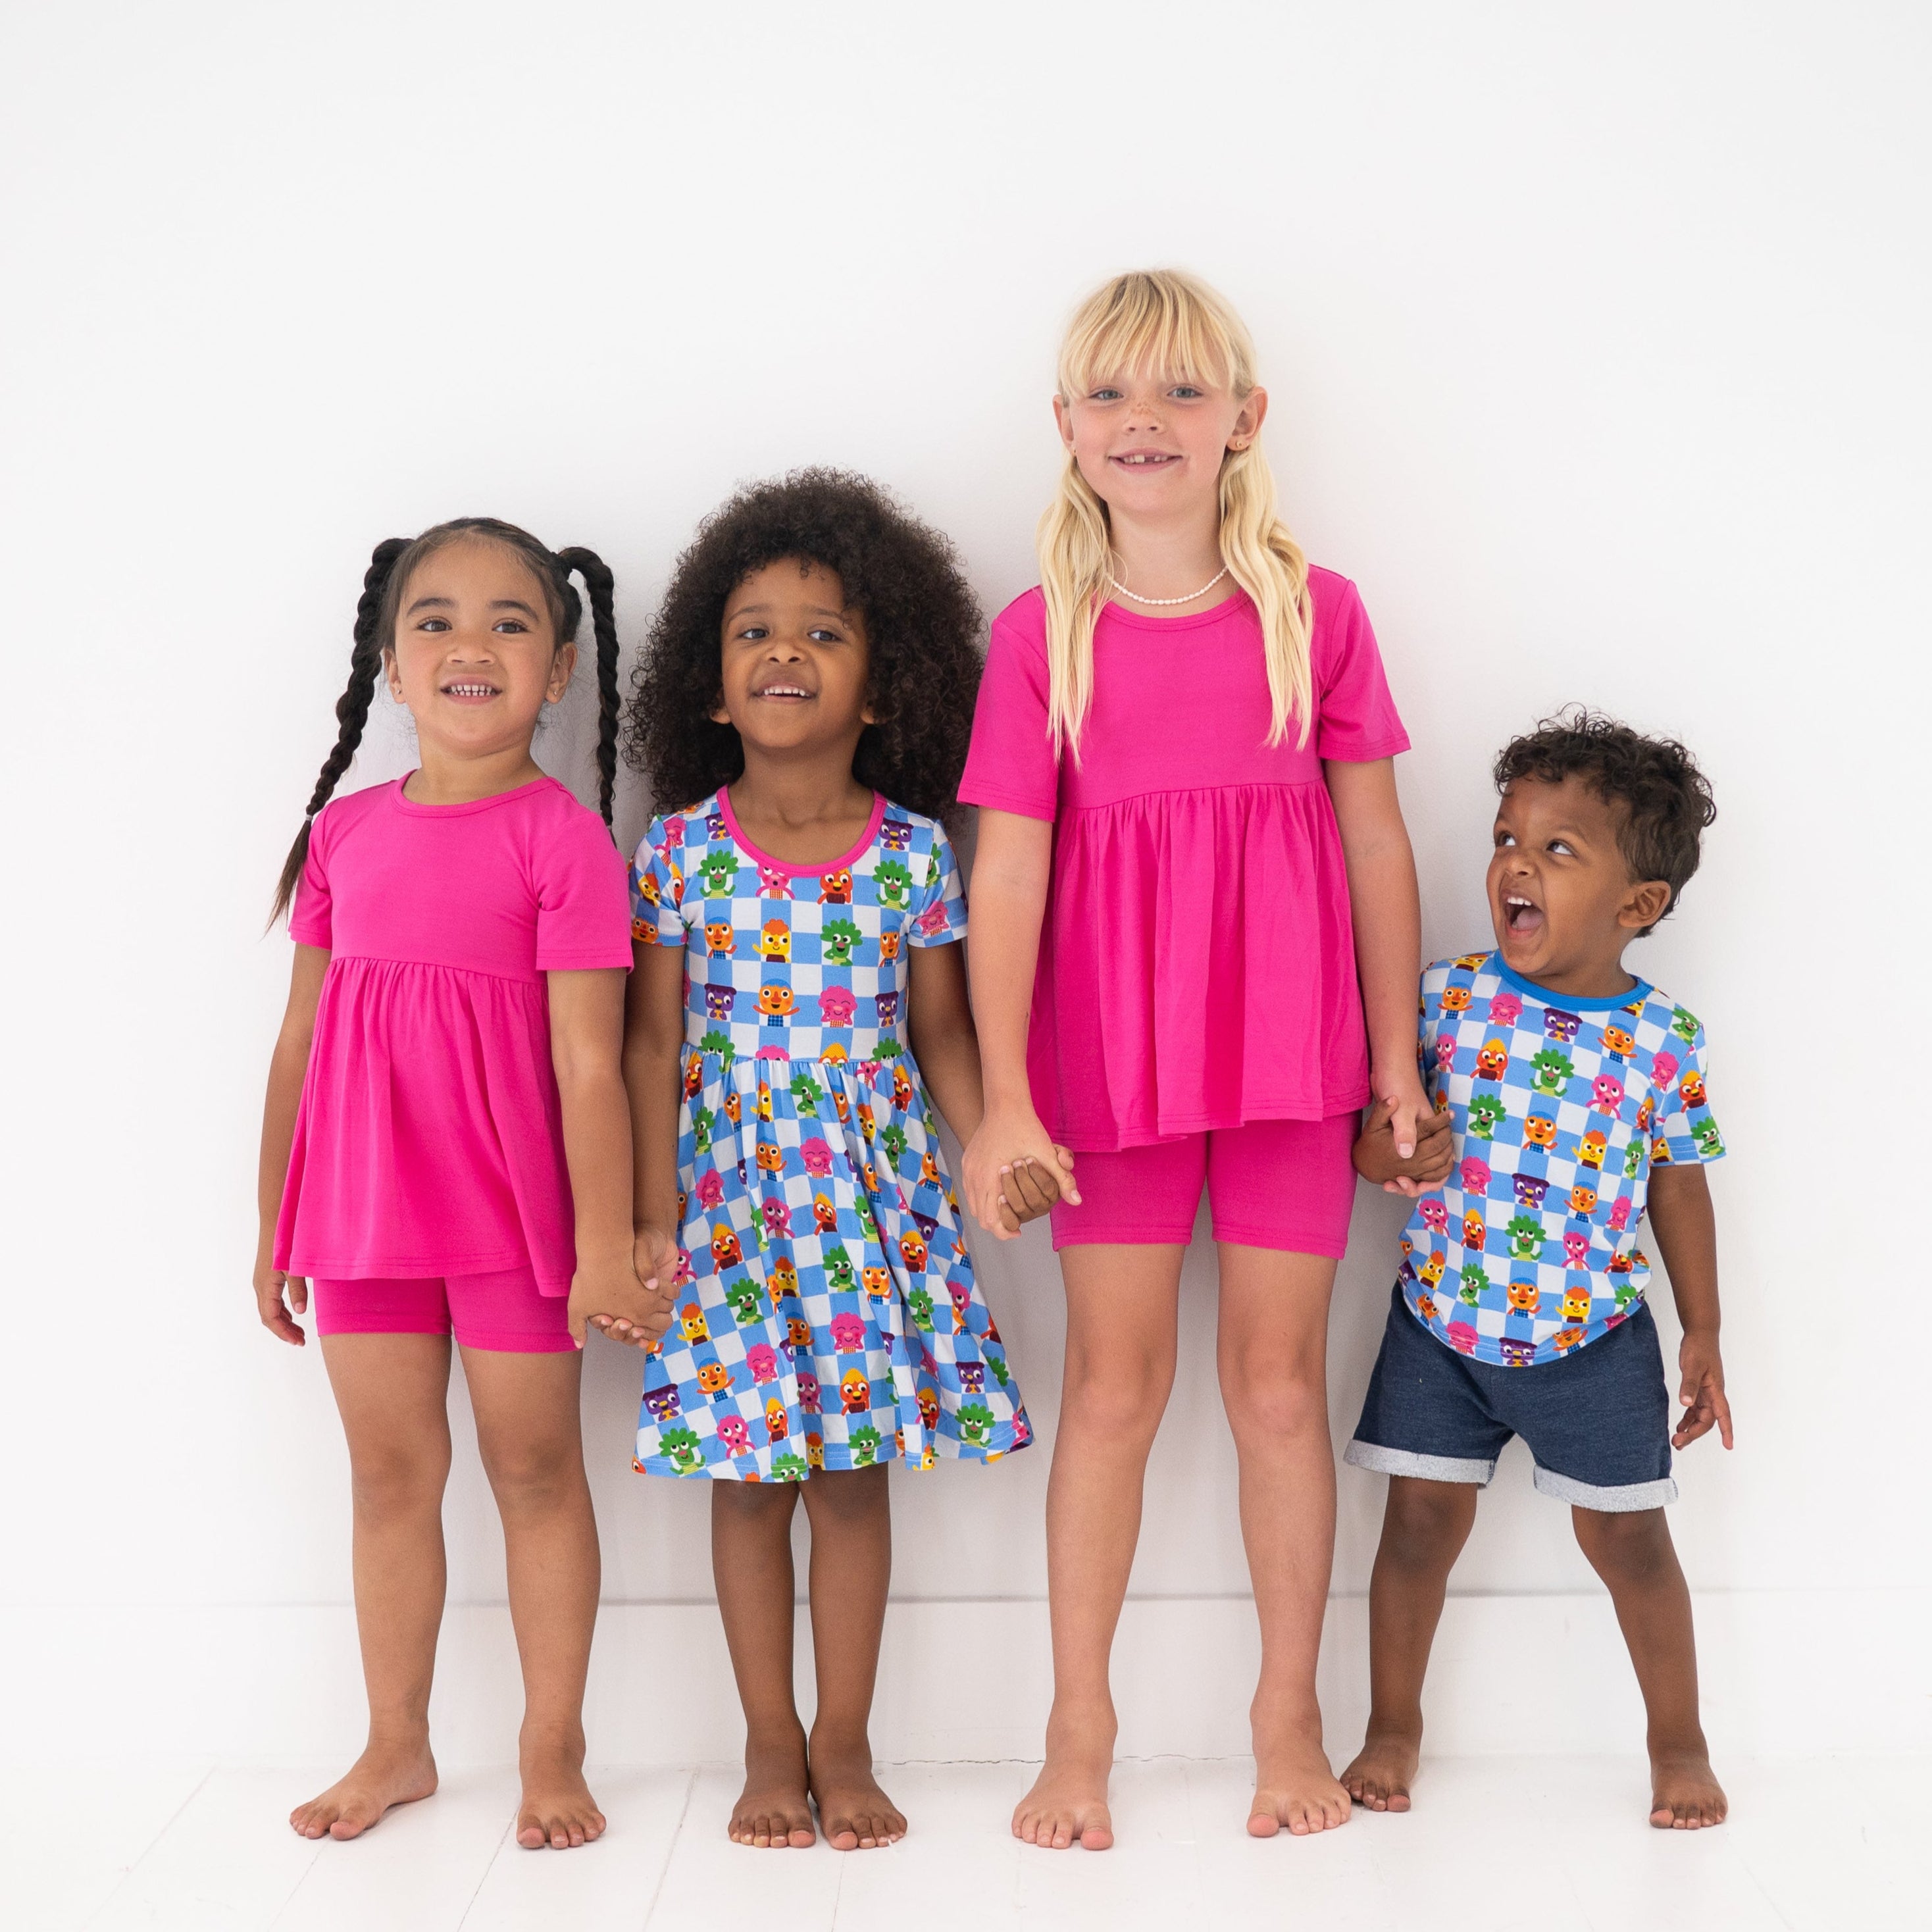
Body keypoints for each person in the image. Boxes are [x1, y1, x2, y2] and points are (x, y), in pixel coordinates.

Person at [958, 269, 1426, 1846]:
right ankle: (1075, 1727)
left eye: (1178, 390)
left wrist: (1397, 1060)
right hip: (1107, 1065)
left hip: (1296, 1054)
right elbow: (1008, 869)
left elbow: (1374, 841)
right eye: (1109, 393)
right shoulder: (1043, 632)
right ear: (1065, 425)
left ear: (1244, 418)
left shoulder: (1315, 611)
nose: (1142, 420)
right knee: (1111, 1388)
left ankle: (1285, 1715)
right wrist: (1007, 1095)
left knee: (1279, 1389)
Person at [623, 471, 1040, 1852]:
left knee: (852, 1477)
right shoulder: (677, 853)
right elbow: (648, 1045)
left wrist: (993, 1144)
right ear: (710, 682)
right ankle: (766, 1743)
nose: (785, 652)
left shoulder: (915, 855)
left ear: (883, 685)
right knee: (749, 1478)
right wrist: (647, 1210)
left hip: (867, 1207)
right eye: (753, 631)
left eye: (824, 631)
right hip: (730, 1207)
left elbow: (942, 1033)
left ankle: (845, 1743)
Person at [254, 519, 668, 1850]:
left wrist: (600, 1246)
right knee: (389, 1475)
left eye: (508, 621)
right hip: (362, 1211)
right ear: (390, 662)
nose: (468, 645)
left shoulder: (565, 843)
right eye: (433, 620)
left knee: (535, 1469)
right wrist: (273, 1223)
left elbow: (591, 1065)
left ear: (558, 671)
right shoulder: (344, 835)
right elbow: (301, 1040)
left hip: (512, 1219)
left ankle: (554, 1744)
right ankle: (398, 1742)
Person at [1343, 710, 1731, 1829]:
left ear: (1636, 906)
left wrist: (1703, 1330)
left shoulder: (1662, 1041)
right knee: (1416, 1531)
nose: (1516, 864)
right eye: (1508, 838)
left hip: (1594, 1343)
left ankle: (1678, 1741)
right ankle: (1392, 1727)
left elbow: (1679, 1186)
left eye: (1558, 850)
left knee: (1631, 1541)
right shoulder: (1448, 998)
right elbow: (1372, 1142)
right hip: (1439, 1330)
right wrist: (1394, 1156)